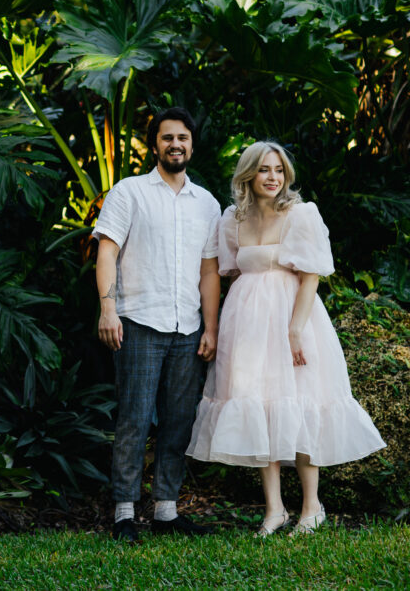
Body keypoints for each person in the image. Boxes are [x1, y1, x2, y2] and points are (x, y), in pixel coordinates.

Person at [186, 141, 386, 536]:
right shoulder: (232, 220)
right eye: (263, 170)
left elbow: (310, 275)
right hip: (247, 323)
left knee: (301, 403)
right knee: (260, 407)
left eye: (279, 170)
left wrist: (295, 328)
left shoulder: (300, 214)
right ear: (248, 175)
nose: (273, 177)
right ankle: (274, 509)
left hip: (295, 318)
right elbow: (230, 272)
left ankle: (312, 506)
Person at [93, 107, 222, 543]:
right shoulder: (129, 193)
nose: (176, 144)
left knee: (179, 420)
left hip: (188, 328)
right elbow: (106, 251)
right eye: (168, 138)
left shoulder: (207, 203)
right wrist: (107, 309)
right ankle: (124, 513)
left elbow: (209, 271)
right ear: (155, 145)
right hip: (139, 323)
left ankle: (166, 511)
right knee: (133, 419)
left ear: (191, 144)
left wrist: (211, 327)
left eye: (183, 138)